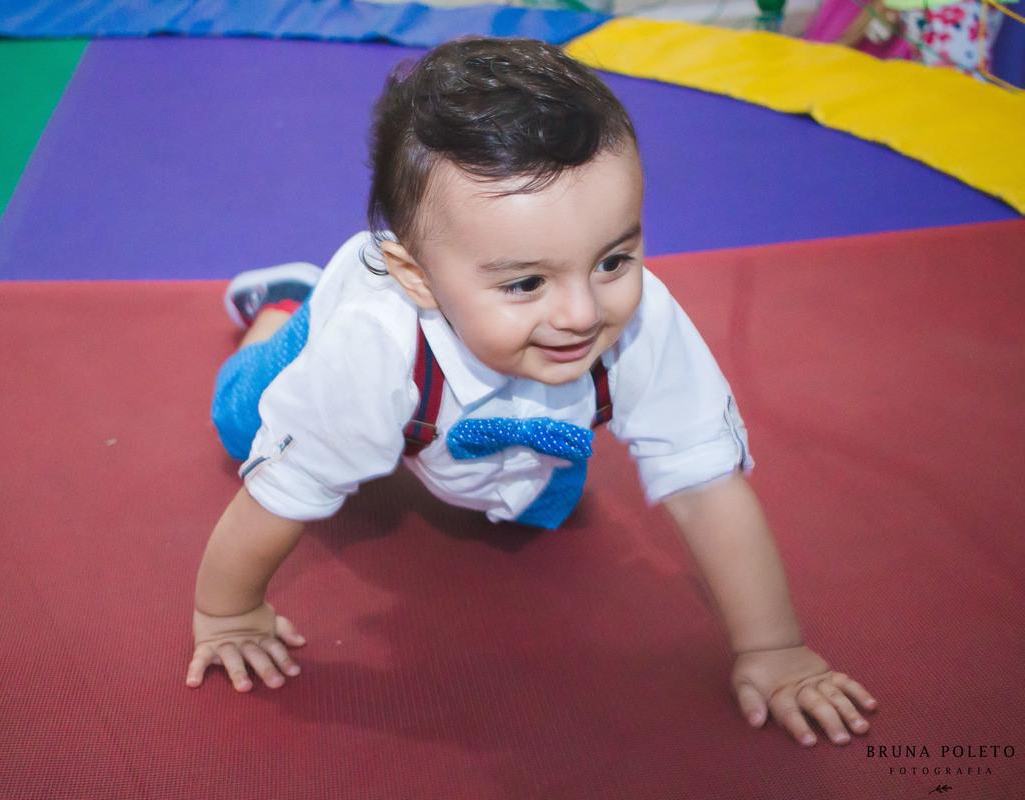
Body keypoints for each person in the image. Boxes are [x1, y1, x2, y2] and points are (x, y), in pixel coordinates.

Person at [186, 37, 877, 748]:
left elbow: (705, 486)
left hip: (526, 423)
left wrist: (773, 648)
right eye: (526, 282)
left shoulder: (637, 322)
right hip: (350, 346)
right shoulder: (369, 347)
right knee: (238, 420)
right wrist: (228, 614)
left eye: (613, 260)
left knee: (540, 512)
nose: (582, 312)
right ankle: (281, 302)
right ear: (416, 276)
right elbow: (278, 495)